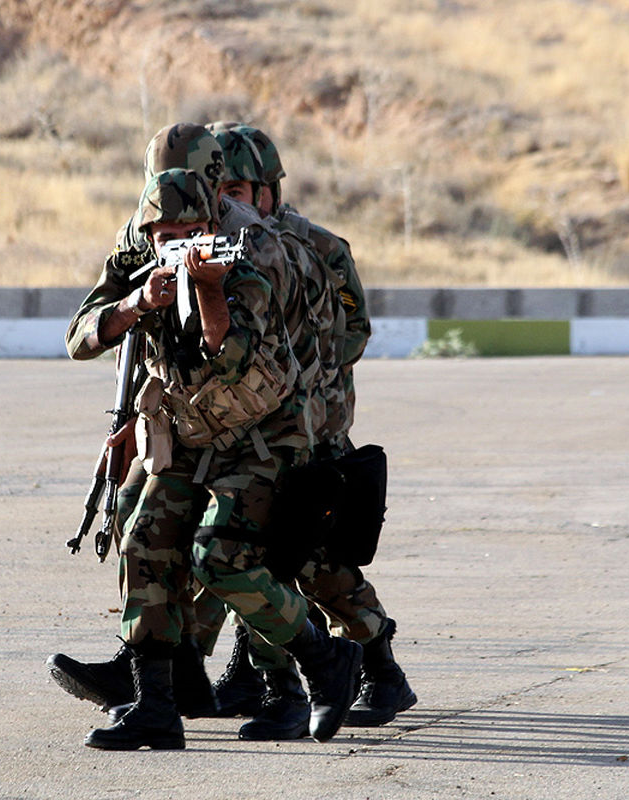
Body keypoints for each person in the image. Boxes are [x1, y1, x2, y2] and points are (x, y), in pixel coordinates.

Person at [62, 168, 362, 750]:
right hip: (190, 433)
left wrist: (206, 288)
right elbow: (80, 340)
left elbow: (228, 356)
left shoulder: (246, 266)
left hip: (263, 436)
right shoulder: (139, 268)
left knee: (220, 557)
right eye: (165, 234)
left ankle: (326, 660)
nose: (179, 243)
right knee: (145, 542)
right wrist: (136, 303)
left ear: (211, 225)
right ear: (147, 235)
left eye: (192, 230)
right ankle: (155, 707)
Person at [205, 122, 417, 730]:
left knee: (311, 558)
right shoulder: (220, 244)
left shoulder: (317, 247)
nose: (234, 200)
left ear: (272, 188)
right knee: (256, 553)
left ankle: (379, 665)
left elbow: (352, 333)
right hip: (249, 430)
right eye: (224, 187)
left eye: (246, 187)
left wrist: (299, 379)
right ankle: (253, 676)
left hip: (310, 427)